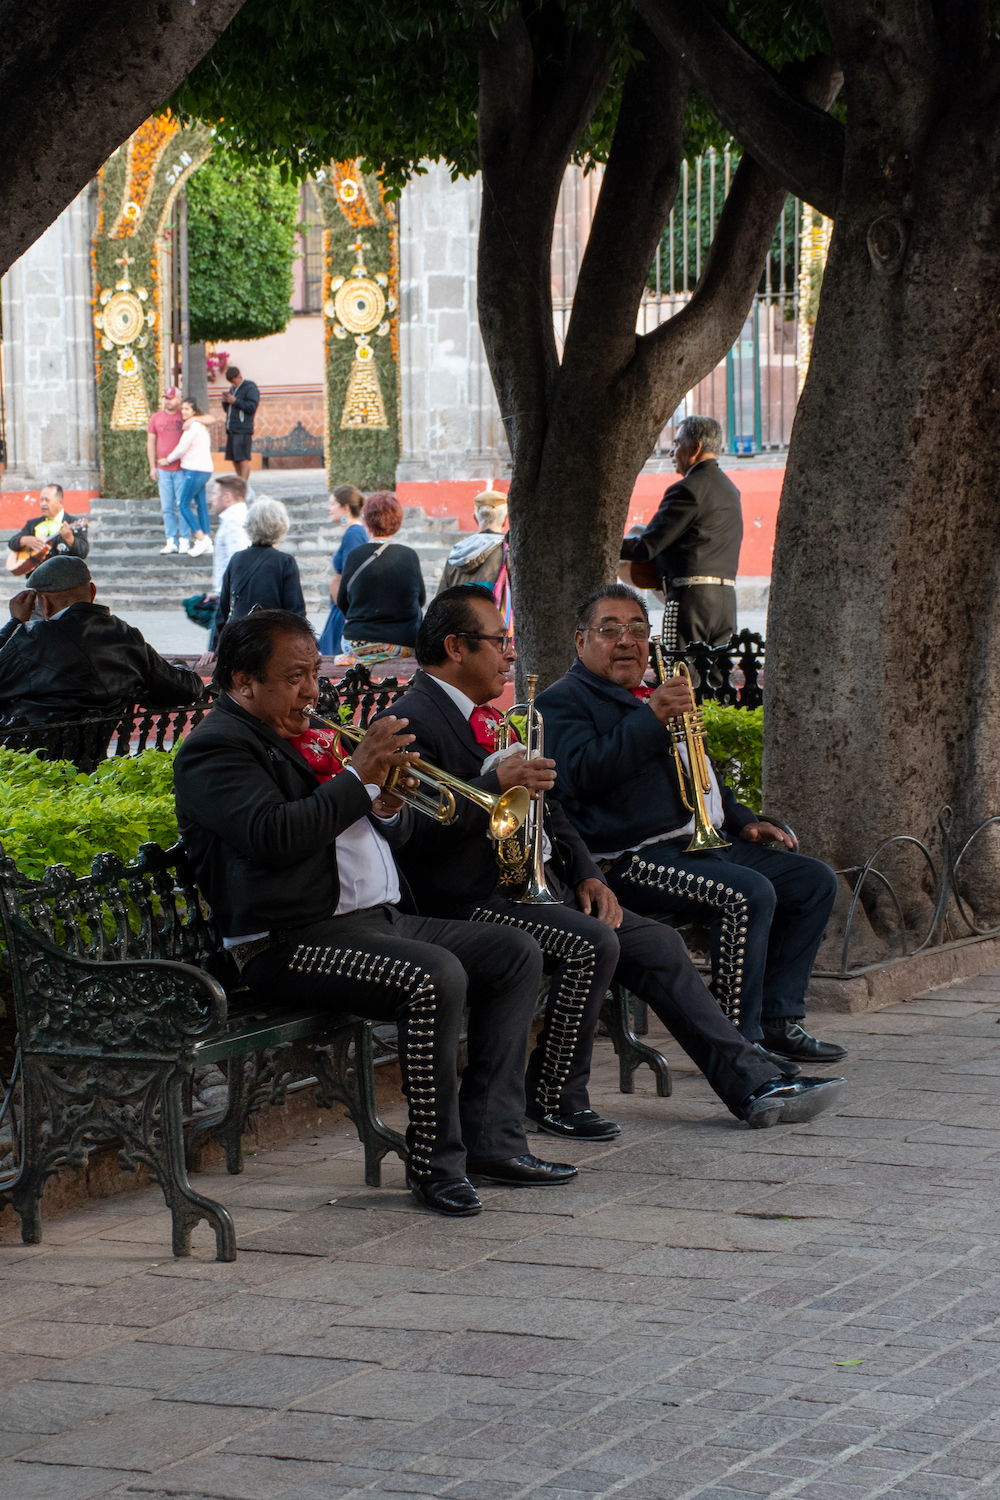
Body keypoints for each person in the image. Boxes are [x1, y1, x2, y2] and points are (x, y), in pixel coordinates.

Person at [377, 585, 844, 1135]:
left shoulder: (489, 717)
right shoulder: (409, 722)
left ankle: (753, 1081)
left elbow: (554, 813)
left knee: (657, 941)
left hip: (540, 884)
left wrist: (588, 876)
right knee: (595, 940)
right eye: (499, 641)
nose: (509, 653)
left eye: (637, 631)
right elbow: (411, 836)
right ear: (456, 647)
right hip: (467, 901)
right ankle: (554, 1096)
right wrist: (492, 784)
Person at [172, 610, 575, 1216]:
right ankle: (435, 1162)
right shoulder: (216, 748)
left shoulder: (309, 738)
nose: (313, 691)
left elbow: (397, 829)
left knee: (512, 953)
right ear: (242, 681)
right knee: (433, 975)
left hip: (374, 921)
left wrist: (386, 800)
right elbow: (273, 836)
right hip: (287, 940)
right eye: (294, 678)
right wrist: (359, 777)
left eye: (314, 673)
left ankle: (494, 1141)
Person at [537, 583, 847, 1067]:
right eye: (610, 630)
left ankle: (778, 1021)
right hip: (628, 859)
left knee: (812, 881)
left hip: (699, 844)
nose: (626, 641)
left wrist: (744, 822)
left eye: (637, 630)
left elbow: (696, 761)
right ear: (581, 642)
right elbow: (581, 777)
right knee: (745, 893)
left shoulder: (653, 690)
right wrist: (651, 717)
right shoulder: (564, 700)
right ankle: (737, 1046)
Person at [0, 557, 204, 720]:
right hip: (92, 761)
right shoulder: (126, 636)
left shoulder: (34, 641)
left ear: (42, 602)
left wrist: (16, 621)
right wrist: (182, 667)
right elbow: (187, 689)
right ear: (93, 592)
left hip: (29, 763)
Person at [619, 415, 741, 649]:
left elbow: (647, 547)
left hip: (691, 602)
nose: (670, 453)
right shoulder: (729, 488)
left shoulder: (687, 489)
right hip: (726, 601)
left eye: (676, 444)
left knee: (683, 677)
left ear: (695, 448)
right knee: (716, 680)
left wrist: (606, 544)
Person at [337, 491, 425, 666]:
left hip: (357, 642)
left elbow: (342, 601)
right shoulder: (409, 555)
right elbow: (420, 600)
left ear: (366, 520)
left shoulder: (355, 555)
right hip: (402, 644)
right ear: (397, 522)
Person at [217, 499, 305, 627]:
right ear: (280, 526)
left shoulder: (237, 559)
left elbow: (223, 607)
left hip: (239, 635)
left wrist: (215, 643)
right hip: (272, 635)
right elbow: (296, 610)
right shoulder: (284, 561)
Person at [319, 484, 368, 657]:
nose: (328, 508)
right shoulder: (353, 531)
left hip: (344, 611)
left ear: (345, 507)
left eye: (332, 503)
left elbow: (352, 575)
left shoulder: (353, 534)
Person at [203, 476, 250, 653]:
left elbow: (237, 563)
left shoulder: (234, 524)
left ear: (227, 496)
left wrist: (224, 594)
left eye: (215, 493)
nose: (211, 499)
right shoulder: (236, 520)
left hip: (229, 606)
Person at [162, 398, 214, 558]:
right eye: (182, 408)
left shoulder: (193, 427)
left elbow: (181, 448)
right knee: (200, 505)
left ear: (194, 412)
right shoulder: (200, 425)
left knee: (183, 504)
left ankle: (200, 538)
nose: (183, 411)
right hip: (203, 470)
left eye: (187, 409)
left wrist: (167, 459)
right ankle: (207, 540)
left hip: (194, 470)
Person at [435, 491, 508, 596]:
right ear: (505, 519)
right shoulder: (508, 552)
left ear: (475, 518)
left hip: (459, 612)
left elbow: (441, 599)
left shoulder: (457, 552)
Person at [7, 484, 89, 576]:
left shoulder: (73, 522)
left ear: (60, 502)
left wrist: (70, 538)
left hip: (64, 578)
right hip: (37, 579)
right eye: (41, 500)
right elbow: (12, 543)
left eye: (47, 500)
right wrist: (24, 540)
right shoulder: (33, 524)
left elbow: (83, 552)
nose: (43, 504)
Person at [220, 366, 260, 483]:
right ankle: (240, 482)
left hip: (243, 429)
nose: (233, 383)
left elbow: (252, 407)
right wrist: (225, 402)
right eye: (230, 382)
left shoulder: (250, 388)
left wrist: (235, 401)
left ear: (239, 377)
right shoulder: (232, 389)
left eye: (234, 381)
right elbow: (229, 409)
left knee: (243, 459)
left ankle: (243, 486)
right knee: (234, 459)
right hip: (232, 428)